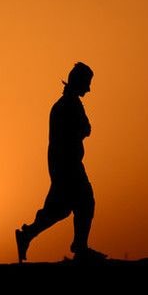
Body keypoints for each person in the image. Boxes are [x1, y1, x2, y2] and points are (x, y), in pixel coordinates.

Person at [15, 62, 107, 262]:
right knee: (84, 201)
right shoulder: (68, 105)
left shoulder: (66, 104)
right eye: (87, 83)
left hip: (63, 164)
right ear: (79, 81)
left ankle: (27, 235)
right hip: (68, 165)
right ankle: (80, 248)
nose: (89, 89)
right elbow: (84, 130)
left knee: (59, 209)